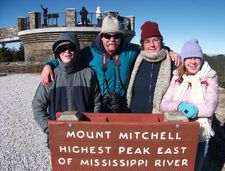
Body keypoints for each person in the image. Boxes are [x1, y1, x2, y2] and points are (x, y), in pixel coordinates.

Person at [41, 15, 181, 114]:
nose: (112, 39)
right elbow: (68, 59)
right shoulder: (89, 53)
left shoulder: (130, 51)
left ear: (121, 37)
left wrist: (168, 50)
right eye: (107, 36)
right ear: (101, 37)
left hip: (123, 107)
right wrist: (49, 64)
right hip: (98, 106)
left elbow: (150, 48)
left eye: (116, 36)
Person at [160, 39, 219, 171]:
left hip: (199, 134)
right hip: (177, 134)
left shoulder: (210, 77)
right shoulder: (177, 77)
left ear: (201, 59)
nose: (193, 62)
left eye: (196, 58)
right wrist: (179, 106)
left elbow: (209, 108)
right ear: (184, 60)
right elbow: (163, 105)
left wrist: (192, 109)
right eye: (189, 58)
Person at [126, 21, 176, 171]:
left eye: (156, 40)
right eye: (148, 41)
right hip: (135, 115)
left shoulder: (172, 62)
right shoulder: (136, 58)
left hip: (158, 117)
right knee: (136, 154)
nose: (152, 44)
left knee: (156, 155)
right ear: (142, 44)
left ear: (162, 41)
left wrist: (169, 50)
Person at [32, 32, 102, 148]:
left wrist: (93, 127)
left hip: (85, 136)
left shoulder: (89, 73)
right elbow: (38, 105)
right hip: (59, 138)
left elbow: (97, 103)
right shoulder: (51, 76)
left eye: (71, 48)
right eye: (62, 49)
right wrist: (49, 128)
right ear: (57, 53)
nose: (67, 52)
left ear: (77, 50)